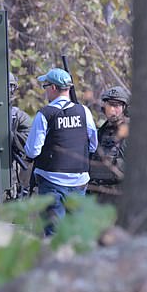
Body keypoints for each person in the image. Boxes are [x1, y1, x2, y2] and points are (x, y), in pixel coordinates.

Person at [24, 68, 98, 235]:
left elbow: (33, 151)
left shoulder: (45, 114)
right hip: (79, 181)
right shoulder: (84, 111)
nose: (45, 90)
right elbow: (93, 144)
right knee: (76, 232)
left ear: (53, 88)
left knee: (54, 234)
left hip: (52, 182)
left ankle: (59, 261)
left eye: (46, 86)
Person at [88, 86, 131, 204]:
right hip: (96, 195)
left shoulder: (132, 134)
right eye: (109, 105)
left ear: (124, 108)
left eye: (116, 106)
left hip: (119, 196)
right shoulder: (99, 132)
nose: (112, 110)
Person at [9, 72, 32, 198]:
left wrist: (11, 136)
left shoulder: (18, 116)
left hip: (13, 173)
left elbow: (28, 141)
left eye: (10, 87)